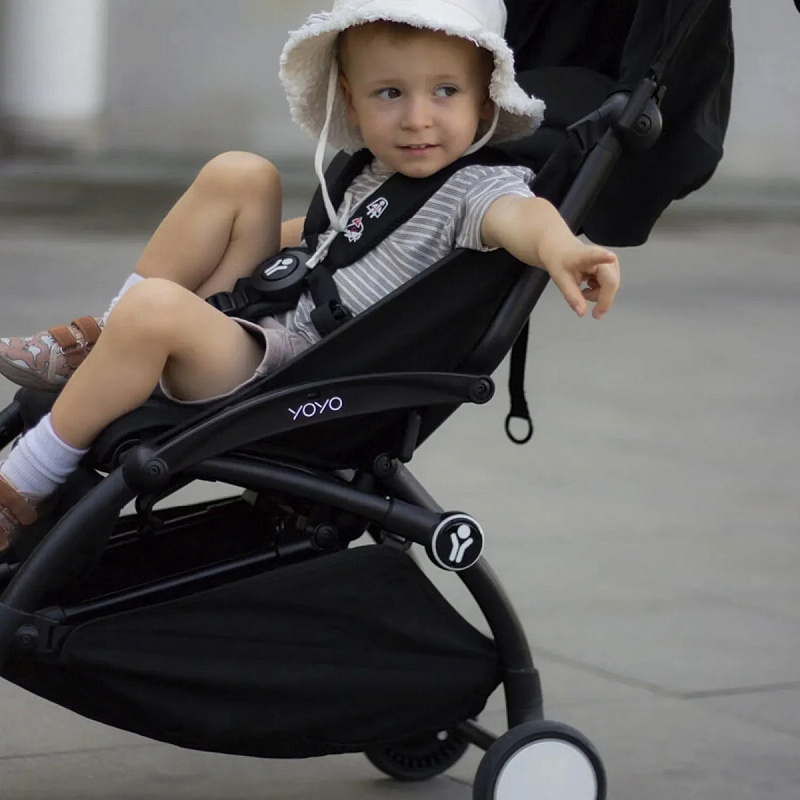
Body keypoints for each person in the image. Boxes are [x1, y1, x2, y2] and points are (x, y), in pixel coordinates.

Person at [0, 0, 620, 549]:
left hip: (296, 378)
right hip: (264, 323)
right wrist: (237, 243)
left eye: (445, 92)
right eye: (389, 93)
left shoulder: (475, 190)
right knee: (240, 173)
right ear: (350, 100)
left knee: (156, 309)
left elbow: (522, 216)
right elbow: (320, 241)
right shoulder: (374, 174)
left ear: (484, 101)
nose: (416, 118)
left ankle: (24, 481)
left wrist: (562, 249)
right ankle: (107, 338)